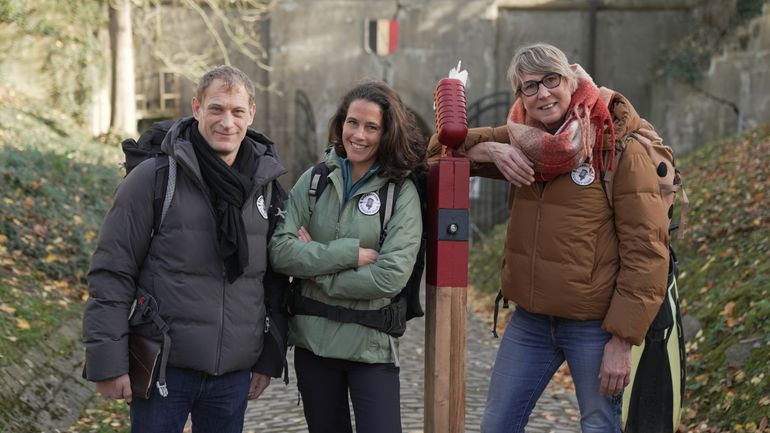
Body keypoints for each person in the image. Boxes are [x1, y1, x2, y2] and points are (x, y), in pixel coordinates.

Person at [427, 43, 669, 432]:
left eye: (551, 80)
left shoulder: (616, 145)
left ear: (570, 81)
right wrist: (486, 150)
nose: (542, 93)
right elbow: (436, 152)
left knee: (598, 425)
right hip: (531, 323)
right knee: (497, 425)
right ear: (520, 96)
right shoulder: (519, 138)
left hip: (595, 326)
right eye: (529, 86)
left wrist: (622, 341)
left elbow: (647, 253)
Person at [82, 65, 289, 433]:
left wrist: (268, 357)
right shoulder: (154, 178)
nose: (227, 122)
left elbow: (274, 281)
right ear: (197, 108)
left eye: (237, 111)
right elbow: (112, 271)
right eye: (216, 109)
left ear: (251, 114)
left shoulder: (267, 188)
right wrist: (108, 363)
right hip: (165, 368)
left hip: (232, 376)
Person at [269, 80, 425, 433]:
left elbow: (390, 276)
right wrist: (348, 254)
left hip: (370, 348)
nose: (359, 134)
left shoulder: (400, 193)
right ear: (341, 123)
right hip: (314, 346)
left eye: (372, 127)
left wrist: (315, 269)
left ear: (386, 134)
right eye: (352, 122)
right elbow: (280, 252)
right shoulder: (313, 182)